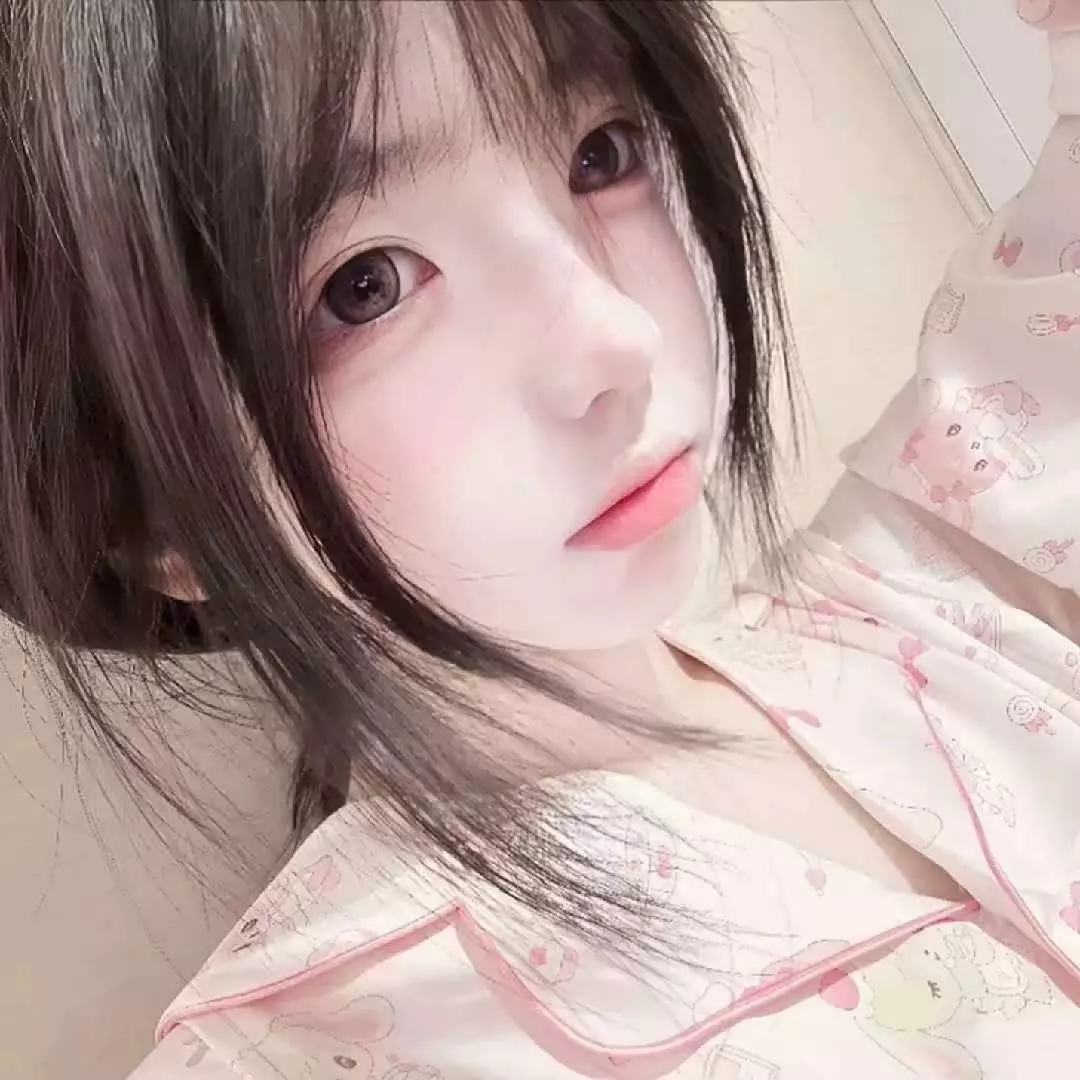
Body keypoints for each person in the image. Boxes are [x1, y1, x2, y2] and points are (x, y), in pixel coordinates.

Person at [3, 0, 1080, 1076]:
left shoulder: (946, 592)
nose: (619, 336)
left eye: (600, 152)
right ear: (158, 525)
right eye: (363, 287)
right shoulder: (319, 1046)